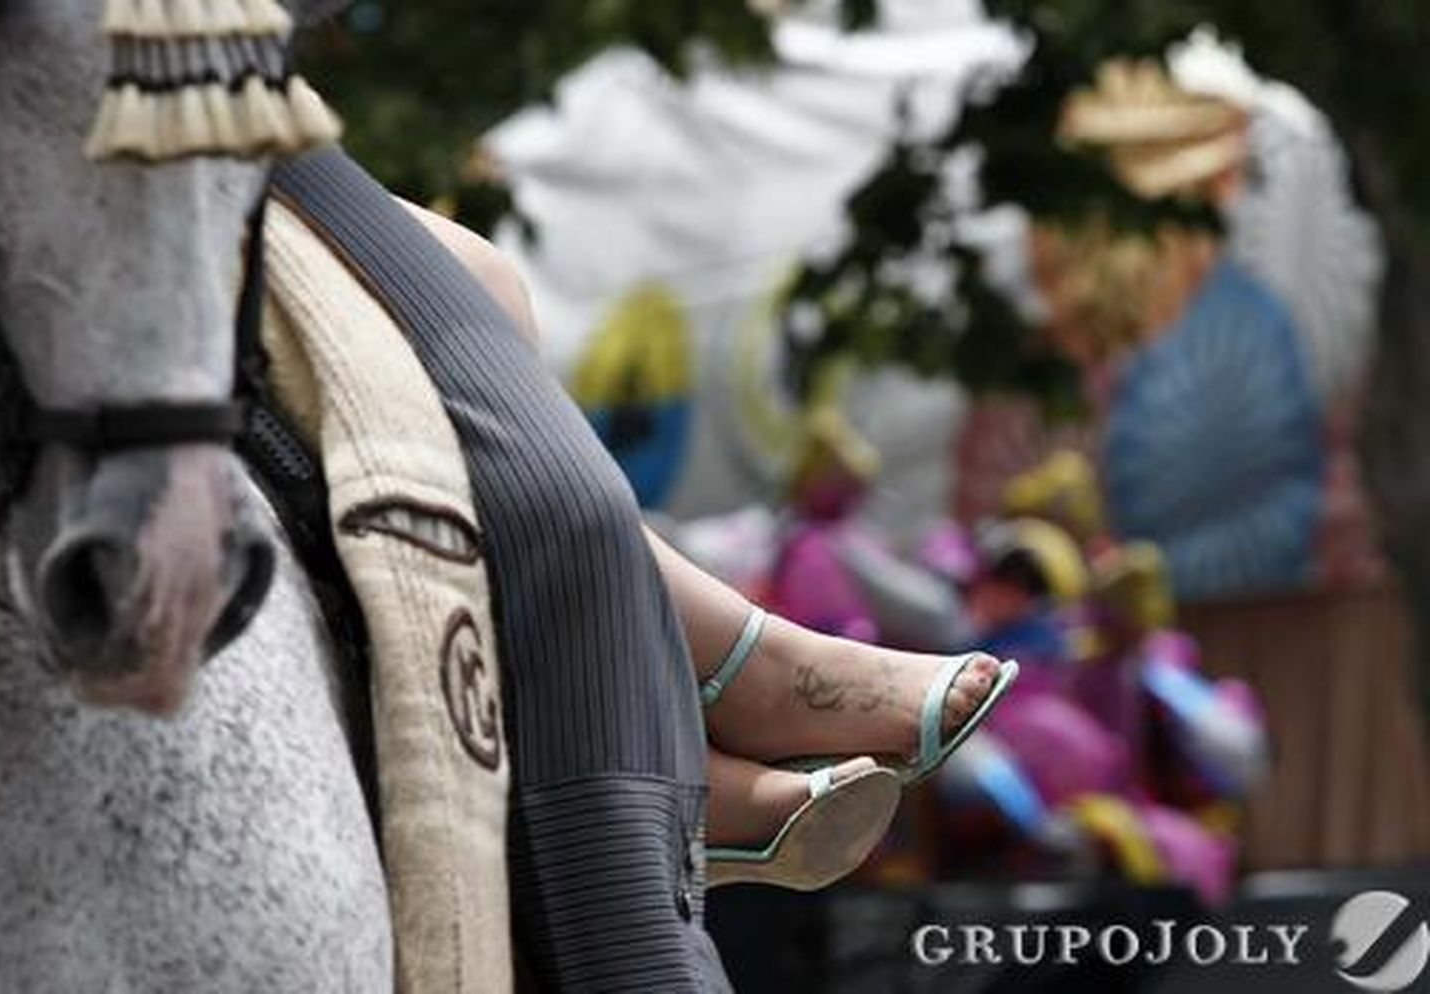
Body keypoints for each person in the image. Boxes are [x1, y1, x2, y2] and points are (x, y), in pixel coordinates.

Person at [278, 149, 1014, 990]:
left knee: (482, 275)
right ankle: (721, 728)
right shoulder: (805, 536)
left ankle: (700, 763)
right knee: (563, 497)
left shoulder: (831, 540)